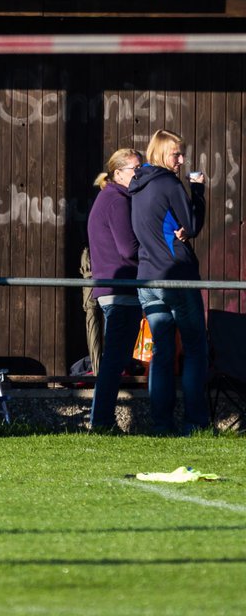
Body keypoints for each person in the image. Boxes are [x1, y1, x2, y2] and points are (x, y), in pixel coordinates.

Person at [129, 129, 210, 434]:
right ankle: (195, 422)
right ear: (162, 153)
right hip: (176, 275)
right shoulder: (168, 182)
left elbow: (159, 225)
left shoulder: (136, 187)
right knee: (194, 347)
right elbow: (191, 225)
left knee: (162, 352)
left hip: (147, 278)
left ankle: (161, 424)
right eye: (176, 153)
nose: (181, 159)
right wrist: (197, 191)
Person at [86, 148, 144, 431]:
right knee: (114, 360)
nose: (140, 175)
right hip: (120, 288)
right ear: (118, 173)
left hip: (116, 287)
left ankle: (101, 420)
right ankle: (102, 421)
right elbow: (128, 248)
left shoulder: (111, 197)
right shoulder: (117, 200)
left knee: (115, 358)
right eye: (135, 170)